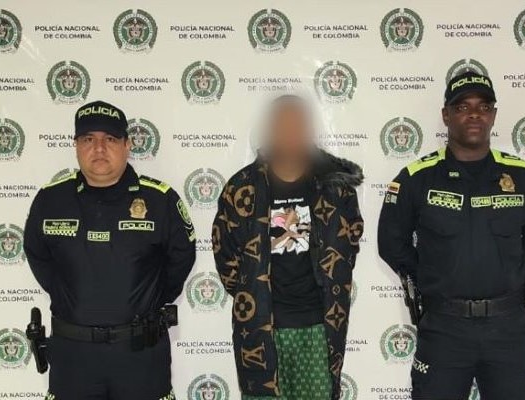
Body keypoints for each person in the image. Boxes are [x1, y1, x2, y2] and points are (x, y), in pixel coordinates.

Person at [378, 72, 525, 400]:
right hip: (444, 327)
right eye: (462, 107)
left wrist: (512, 271)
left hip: (508, 328)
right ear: (446, 115)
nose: (474, 114)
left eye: (483, 106)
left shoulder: (523, 177)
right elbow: (391, 243)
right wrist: (432, 276)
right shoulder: (416, 179)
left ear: (493, 115)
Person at [24, 100, 196, 400]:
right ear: (76, 145)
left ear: (127, 145)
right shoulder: (50, 200)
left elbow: (180, 260)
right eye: (88, 139)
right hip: (73, 355)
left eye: (110, 139)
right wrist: (73, 297)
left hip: (140, 354)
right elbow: (39, 258)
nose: (99, 148)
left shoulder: (160, 201)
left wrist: (147, 300)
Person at [212, 95, 364, 400]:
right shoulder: (241, 187)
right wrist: (253, 292)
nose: (290, 135)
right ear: (270, 131)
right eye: (283, 126)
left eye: (298, 126)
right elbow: (226, 256)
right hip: (260, 329)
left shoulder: (335, 187)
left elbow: (348, 245)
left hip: (319, 327)